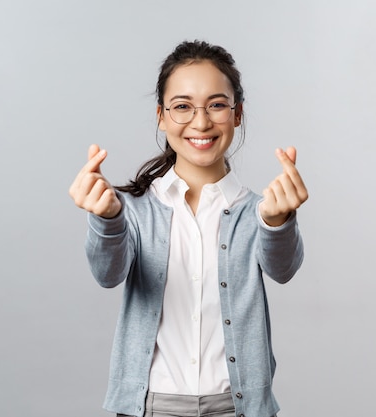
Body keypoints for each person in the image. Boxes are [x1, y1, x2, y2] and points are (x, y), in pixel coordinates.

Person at [69, 40, 308, 417]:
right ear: (161, 116)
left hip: (237, 409)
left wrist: (277, 223)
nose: (201, 122)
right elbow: (107, 274)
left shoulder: (257, 210)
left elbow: (284, 269)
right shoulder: (132, 208)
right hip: (149, 408)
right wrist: (108, 222)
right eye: (182, 107)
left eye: (216, 105)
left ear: (237, 113)